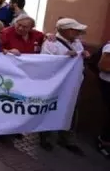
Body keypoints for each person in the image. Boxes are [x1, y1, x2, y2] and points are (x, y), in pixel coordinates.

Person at [39, 17, 90, 155]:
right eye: (75, 29)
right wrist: (64, 56)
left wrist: (83, 54)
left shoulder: (78, 43)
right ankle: (46, 137)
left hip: (74, 83)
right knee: (50, 107)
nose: (78, 32)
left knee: (72, 110)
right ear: (65, 30)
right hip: (56, 85)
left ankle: (67, 139)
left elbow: (80, 57)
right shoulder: (51, 43)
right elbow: (45, 63)